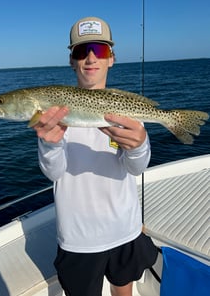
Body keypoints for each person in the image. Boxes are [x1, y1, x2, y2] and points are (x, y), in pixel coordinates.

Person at [33, 16, 158, 296]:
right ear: (72, 61)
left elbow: (136, 167)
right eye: (81, 51)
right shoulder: (54, 113)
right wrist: (50, 145)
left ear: (111, 59)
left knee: (123, 287)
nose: (90, 58)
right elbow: (53, 173)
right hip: (78, 237)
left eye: (99, 51)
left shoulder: (125, 109)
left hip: (125, 228)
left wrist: (138, 145)